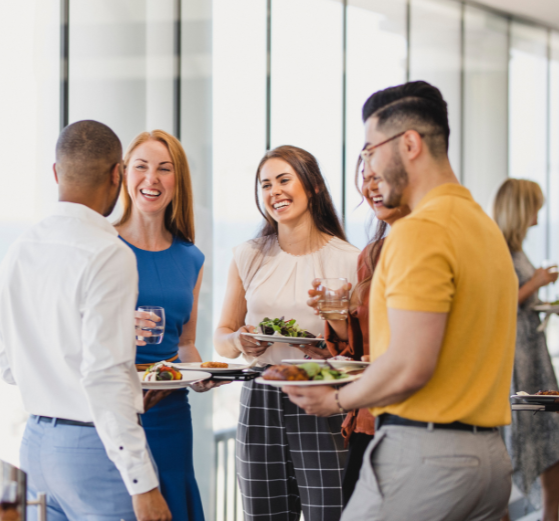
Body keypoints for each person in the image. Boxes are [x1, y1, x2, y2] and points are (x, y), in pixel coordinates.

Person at [283, 81, 517, 521]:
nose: (368, 165)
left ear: (408, 144)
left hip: (426, 457)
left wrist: (336, 400)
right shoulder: (482, 227)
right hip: (489, 460)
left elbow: (412, 365)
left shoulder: (420, 230)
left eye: (370, 150)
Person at [0, 120, 171, 521]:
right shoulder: (108, 253)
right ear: (118, 174)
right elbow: (104, 375)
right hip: (96, 450)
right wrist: (143, 484)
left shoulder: (19, 248)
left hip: (35, 449)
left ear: (56, 172)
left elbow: (9, 366)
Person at [214, 145, 360, 521]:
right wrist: (239, 340)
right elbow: (223, 337)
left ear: (311, 187)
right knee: (264, 515)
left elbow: (361, 348)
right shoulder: (248, 255)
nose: (274, 191)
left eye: (284, 180)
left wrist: (334, 327)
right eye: (265, 185)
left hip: (323, 393)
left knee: (328, 513)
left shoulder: (349, 259)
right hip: (261, 394)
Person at [115, 130, 206, 521]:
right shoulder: (104, 246)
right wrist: (119, 325)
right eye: (141, 167)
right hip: (116, 411)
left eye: (164, 169)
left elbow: (186, 342)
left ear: (177, 181)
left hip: (170, 414)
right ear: (123, 174)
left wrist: (201, 375)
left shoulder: (192, 257)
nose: (151, 179)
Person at [308, 165, 409, 506]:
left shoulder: (435, 247)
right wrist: (334, 314)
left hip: (415, 423)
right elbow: (357, 350)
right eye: (364, 179)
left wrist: (335, 401)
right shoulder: (371, 255)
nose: (370, 187)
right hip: (368, 420)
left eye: (378, 176)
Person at [493, 178, 559, 521]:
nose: (538, 215)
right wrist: (537, 283)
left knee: (550, 432)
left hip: (532, 353)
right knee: (519, 434)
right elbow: (498, 305)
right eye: (535, 207)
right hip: (517, 357)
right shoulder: (498, 249)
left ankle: (550, 512)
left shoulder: (517, 249)